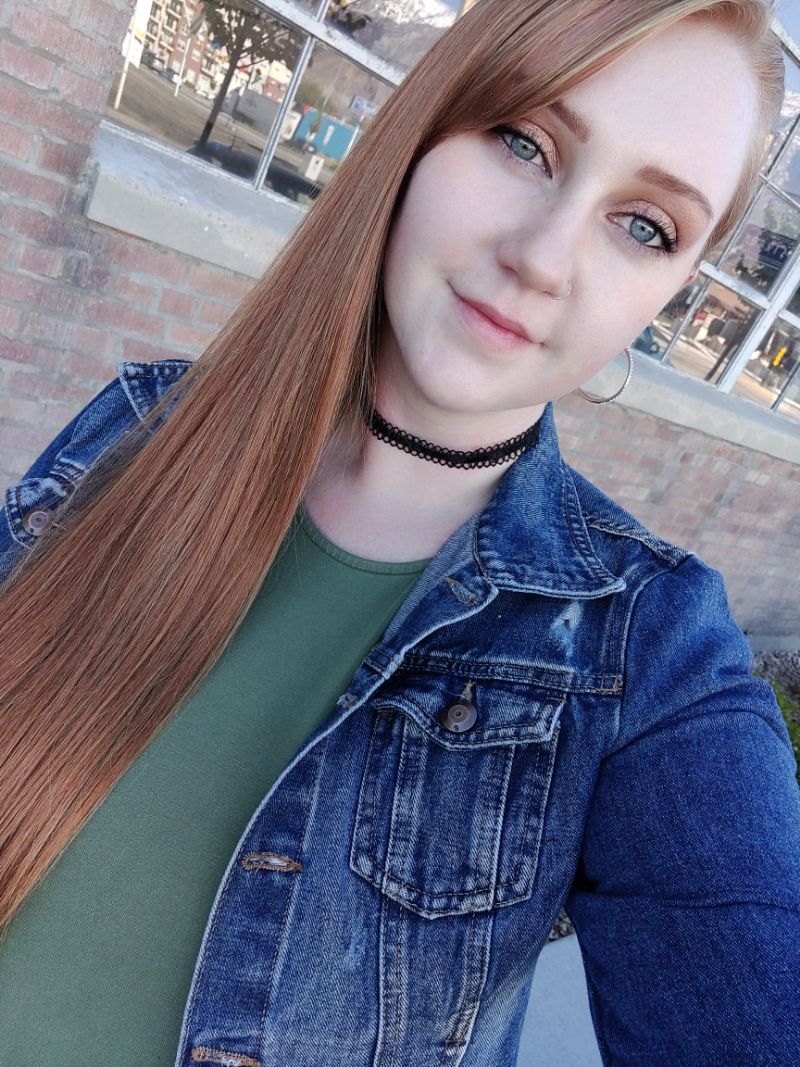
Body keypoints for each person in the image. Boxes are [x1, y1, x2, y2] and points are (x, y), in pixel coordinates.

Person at [0, 1, 798, 1064]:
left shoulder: (648, 656)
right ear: (427, 123)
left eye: (643, 225)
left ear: (668, 292)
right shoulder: (141, 428)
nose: (543, 258)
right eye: (524, 142)